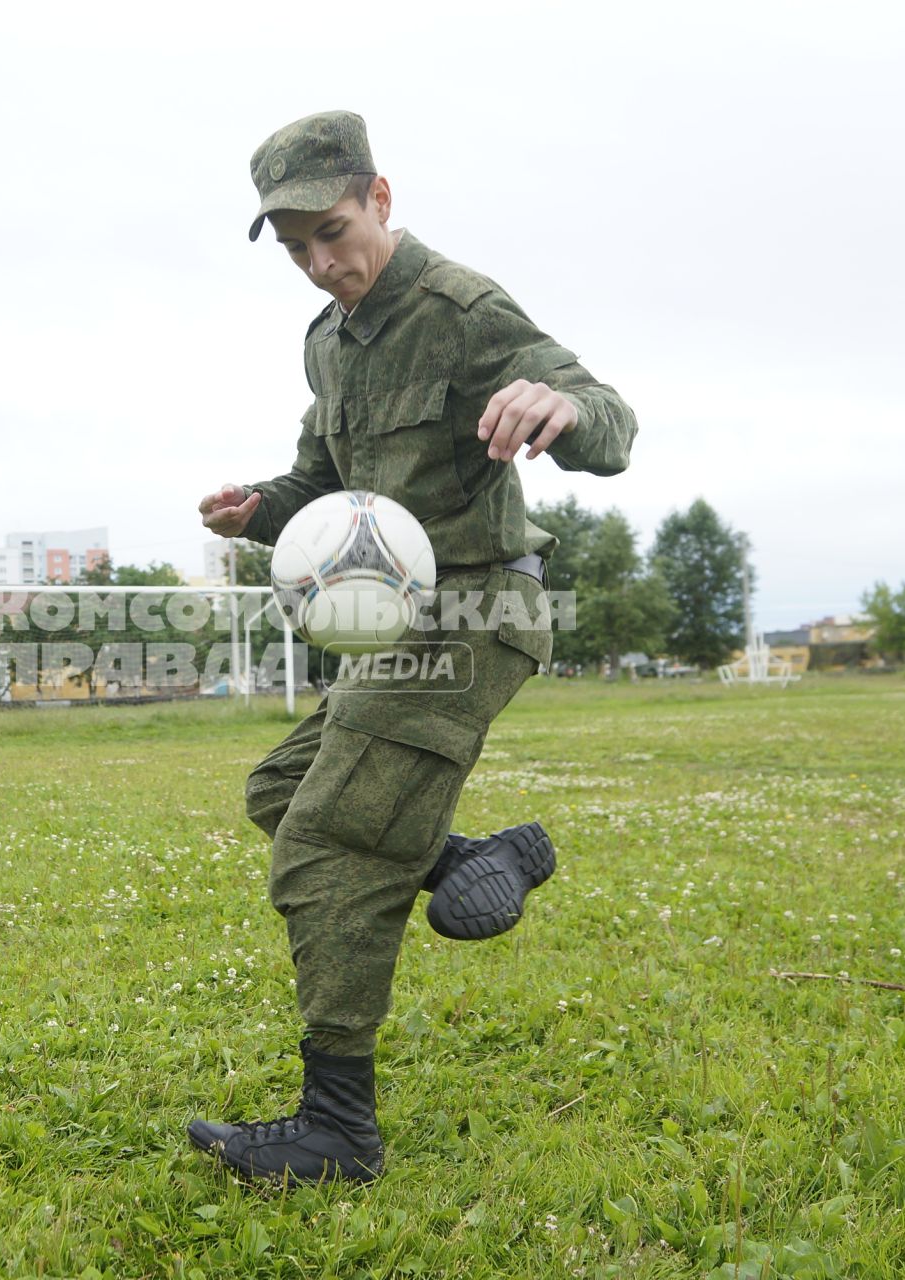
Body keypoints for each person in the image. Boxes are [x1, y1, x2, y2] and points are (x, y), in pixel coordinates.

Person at [190, 110, 637, 1183]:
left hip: (478, 613)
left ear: (379, 199)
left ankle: (336, 1127)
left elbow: (611, 422)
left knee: (328, 842)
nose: (318, 263)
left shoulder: (459, 309)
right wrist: (259, 507)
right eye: (295, 249)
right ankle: (468, 858)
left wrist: (556, 406)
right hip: (396, 624)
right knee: (279, 790)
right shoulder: (325, 344)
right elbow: (322, 485)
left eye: (332, 232)